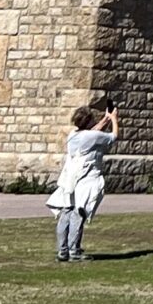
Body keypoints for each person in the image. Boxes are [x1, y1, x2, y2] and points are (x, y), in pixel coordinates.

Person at [46, 104, 118, 261]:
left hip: (70, 178)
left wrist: (105, 118)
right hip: (86, 179)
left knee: (66, 211)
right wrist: (113, 119)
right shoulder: (90, 137)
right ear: (88, 121)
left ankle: (62, 250)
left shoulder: (73, 135)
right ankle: (74, 251)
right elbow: (113, 137)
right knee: (79, 213)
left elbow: (92, 133)